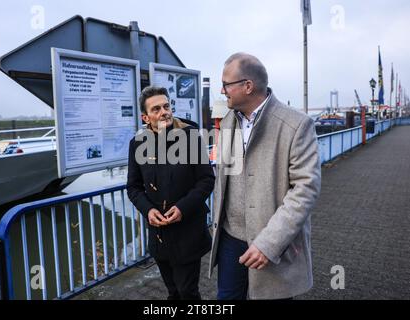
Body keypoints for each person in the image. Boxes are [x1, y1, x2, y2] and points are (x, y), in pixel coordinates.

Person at [208, 53, 321, 300]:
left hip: (273, 243)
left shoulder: (296, 125)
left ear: (247, 86)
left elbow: (306, 189)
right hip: (230, 239)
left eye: (226, 84)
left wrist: (268, 244)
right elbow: (223, 178)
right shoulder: (228, 123)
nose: (222, 90)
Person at [127, 86, 215, 300]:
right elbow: (133, 187)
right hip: (159, 234)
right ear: (145, 117)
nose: (164, 112)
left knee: (187, 292)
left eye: (166, 106)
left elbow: (206, 179)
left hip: (188, 231)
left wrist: (183, 208)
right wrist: (148, 210)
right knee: (173, 291)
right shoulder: (137, 144)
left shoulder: (191, 137)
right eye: (156, 109)